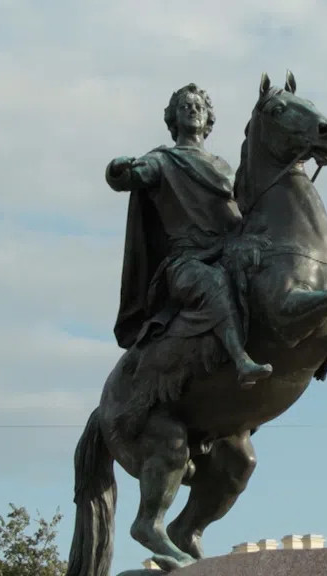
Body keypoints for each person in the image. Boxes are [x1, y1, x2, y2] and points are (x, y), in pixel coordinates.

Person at [107, 83, 271, 387]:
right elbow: (131, 176)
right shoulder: (163, 161)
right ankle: (241, 360)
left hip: (228, 252)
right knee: (214, 284)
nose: (193, 109)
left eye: (199, 106)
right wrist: (117, 171)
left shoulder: (224, 166)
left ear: (208, 117)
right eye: (185, 106)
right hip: (187, 261)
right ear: (173, 119)